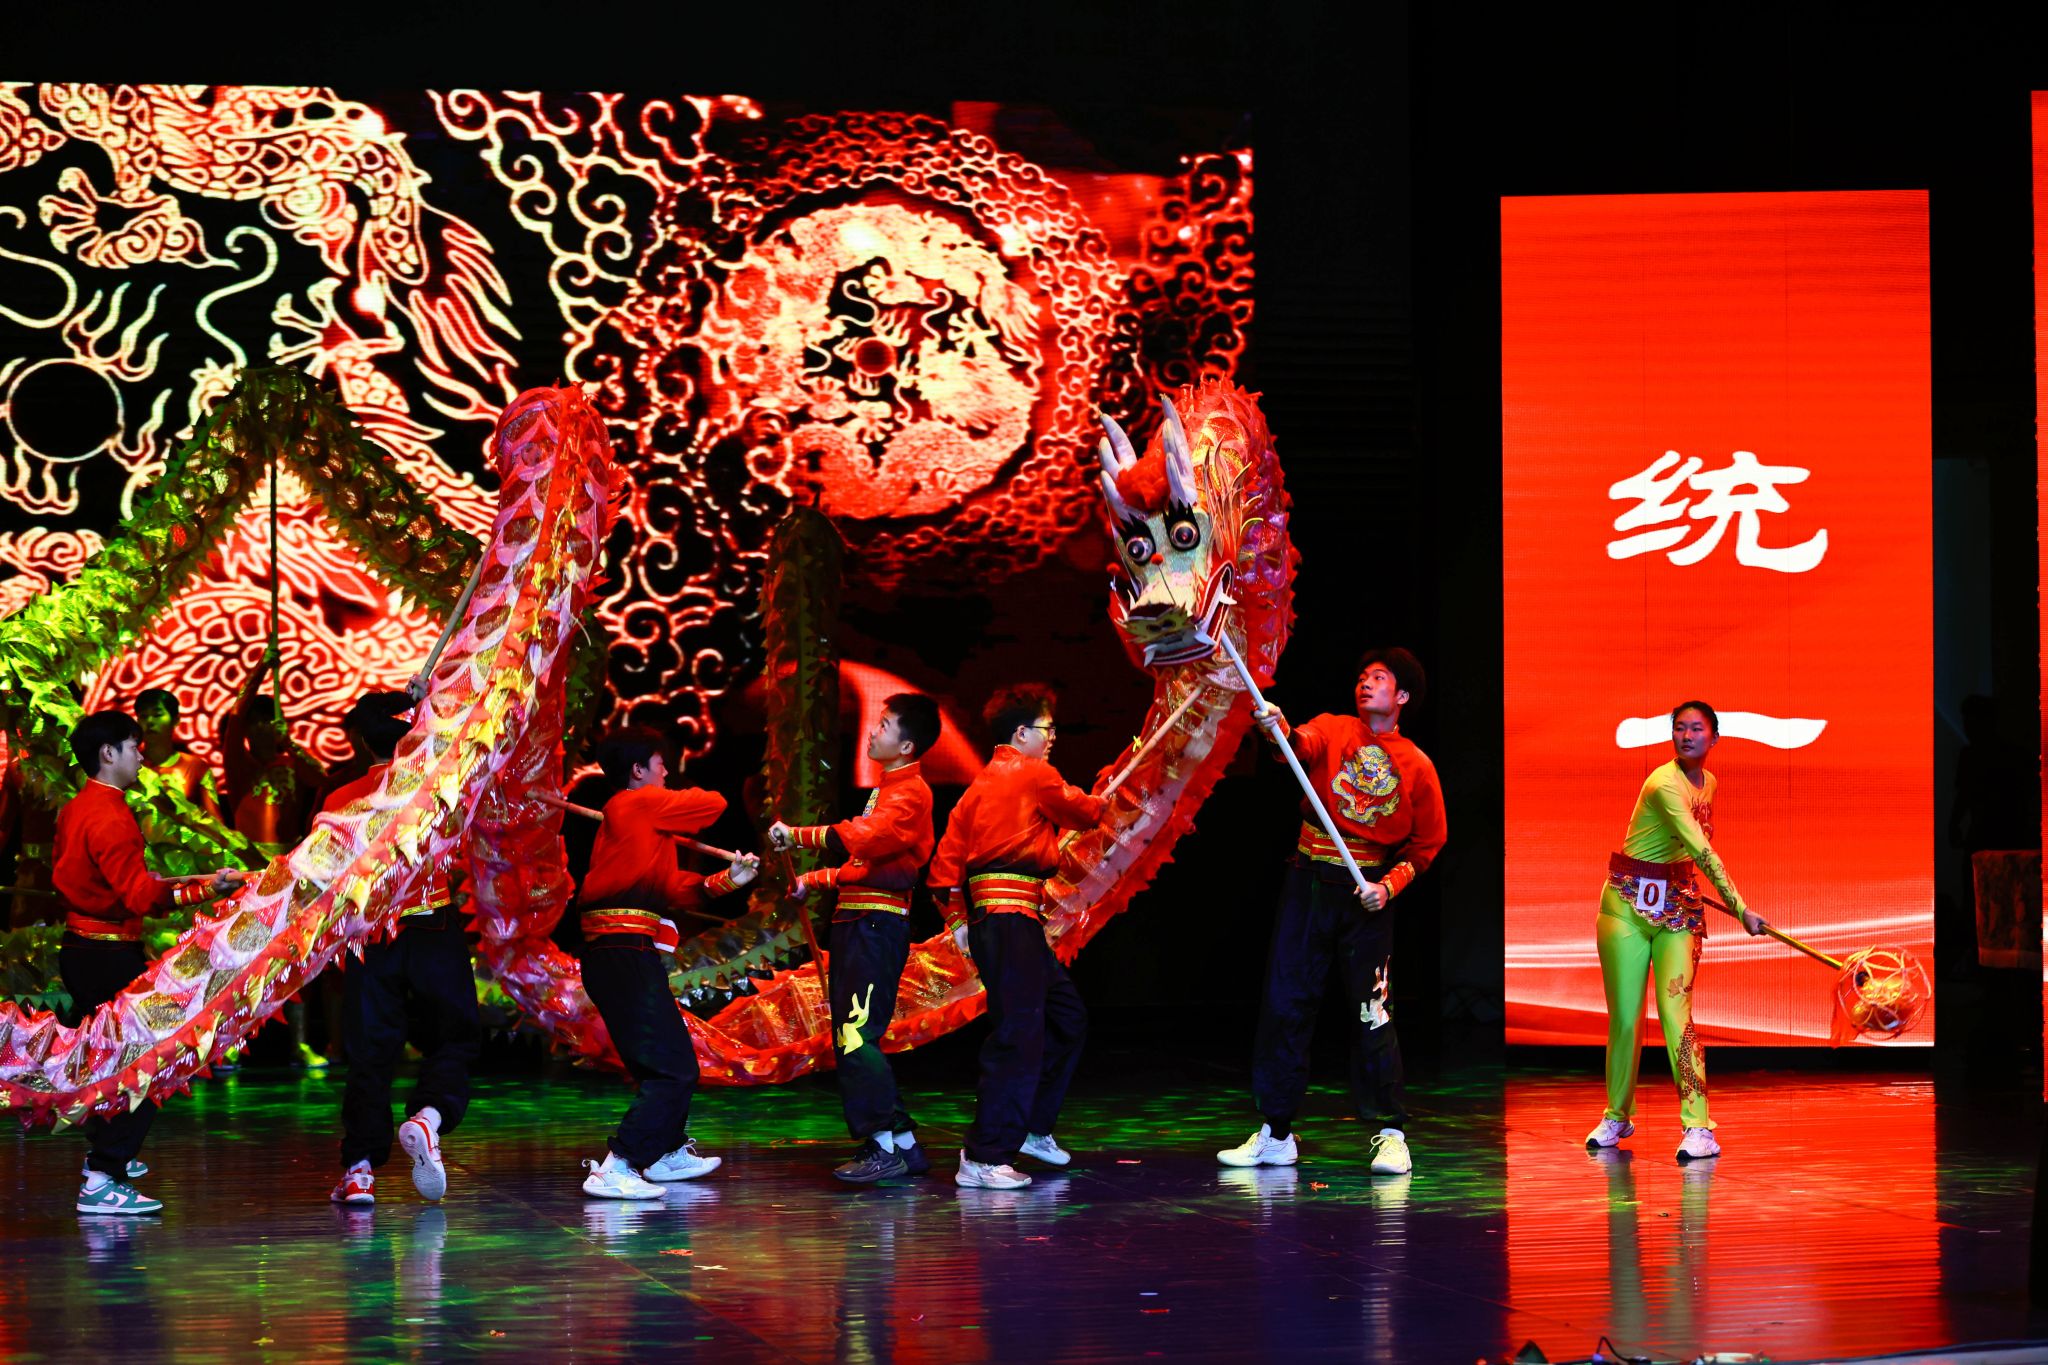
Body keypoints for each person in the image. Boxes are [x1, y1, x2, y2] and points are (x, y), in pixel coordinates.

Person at [1218, 647, 1447, 1178]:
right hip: (1308, 883)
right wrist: (1277, 727)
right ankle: (1276, 1133)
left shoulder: (1417, 764)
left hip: (1364, 894)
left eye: (1379, 678)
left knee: (1373, 1011)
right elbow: (1300, 746)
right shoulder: (1334, 727)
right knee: (1286, 1002)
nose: (1365, 683)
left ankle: (1391, 1133)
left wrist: (1387, 888)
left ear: (1402, 696)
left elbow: (1427, 844)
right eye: (1362, 676)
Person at [54, 710, 245, 1215]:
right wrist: (204, 891)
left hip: (85, 950)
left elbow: (126, 886)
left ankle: (106, 1156)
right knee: (149, 1062)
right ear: (108, 753)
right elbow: (140, 897)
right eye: (134, 746)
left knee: (115, 1058)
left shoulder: (80, 807)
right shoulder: (110, 816)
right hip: (108, 955)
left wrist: (201, 881)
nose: (142, 755)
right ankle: (104, 1172)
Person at [928, 684, 1104, 1190]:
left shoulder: (974, 790)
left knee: (1066, 1017)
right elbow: (1086, 813)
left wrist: (959, 923)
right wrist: (1105, 793)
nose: (1053, 738)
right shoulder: (1033, 772)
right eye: (1048, 729)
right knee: (1017, 1035)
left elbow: (941, 873)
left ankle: (1030, 1127)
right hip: (1010, 921)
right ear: (1022, 733)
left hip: (1001, 923)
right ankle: (984, 1155)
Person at [575, 729, 757, 1199]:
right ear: (638, 771)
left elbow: (672, 890)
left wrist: (729, 880)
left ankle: (666, 1151)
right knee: (673, 1069)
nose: (666, 772)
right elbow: (713, 804)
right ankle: (619, 1163)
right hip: (622, 951)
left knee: (668, 1060)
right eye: (660, 764)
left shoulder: (636, 821)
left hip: (624, 951)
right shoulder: (637, 804)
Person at [770, 693, 941, 1183]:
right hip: (861, 922)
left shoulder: (910, 794)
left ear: (906, 746)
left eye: (883, 725)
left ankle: (881, 1147)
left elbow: (865, 839)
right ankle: (903, 1145)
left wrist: (798, 836)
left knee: (855, 1035)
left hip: (874, 926)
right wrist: (814, 880)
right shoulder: (888, 789)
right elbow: (864, 864)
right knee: (853, 1033)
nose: (872, 731)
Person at [1586, 701, 1765, 1162]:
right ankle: (1616, 1115)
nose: (1687, 736)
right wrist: (1740, 908)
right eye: (1680, 728)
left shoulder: (1710, 783)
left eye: (1696, 729)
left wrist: (1681, 884)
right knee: (1626, 1019)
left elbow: (1689, 854)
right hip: (1625, 909)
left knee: (1676, 1015)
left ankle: (1698, 1126)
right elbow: (1701, 848)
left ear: (1714, 737)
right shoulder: (1662, 783)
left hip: (1677, 911)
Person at [324, 692, 482, 1206]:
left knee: (370, 1053)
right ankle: (429, 1116)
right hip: (433, 925)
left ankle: (359, 1170)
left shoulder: (340, 800)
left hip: (372, 935)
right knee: (455, 1037)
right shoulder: (439, 788)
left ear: (360, 739)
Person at [135, 689, 225, 823]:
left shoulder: (196, 767)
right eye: (143, 716)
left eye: (157, 714)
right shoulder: (130, 767)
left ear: (176, 720)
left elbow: (215, 822)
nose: (150, 721)